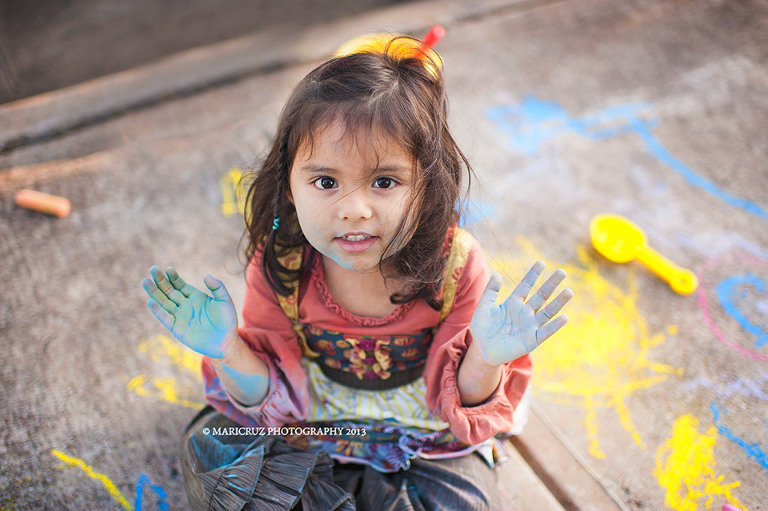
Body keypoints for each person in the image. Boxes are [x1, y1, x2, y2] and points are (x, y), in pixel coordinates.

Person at [142, 37, 573, 511]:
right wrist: (228, 351)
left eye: (384, 182)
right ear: (289, 184)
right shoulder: (283, 263)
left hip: (421, 439)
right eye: (325, 182)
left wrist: (487, 358)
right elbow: (266, 394)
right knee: (213, 451)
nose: (354, 211)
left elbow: (463, 407)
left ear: (425, 187)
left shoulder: (455, 267)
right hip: (309, 427)